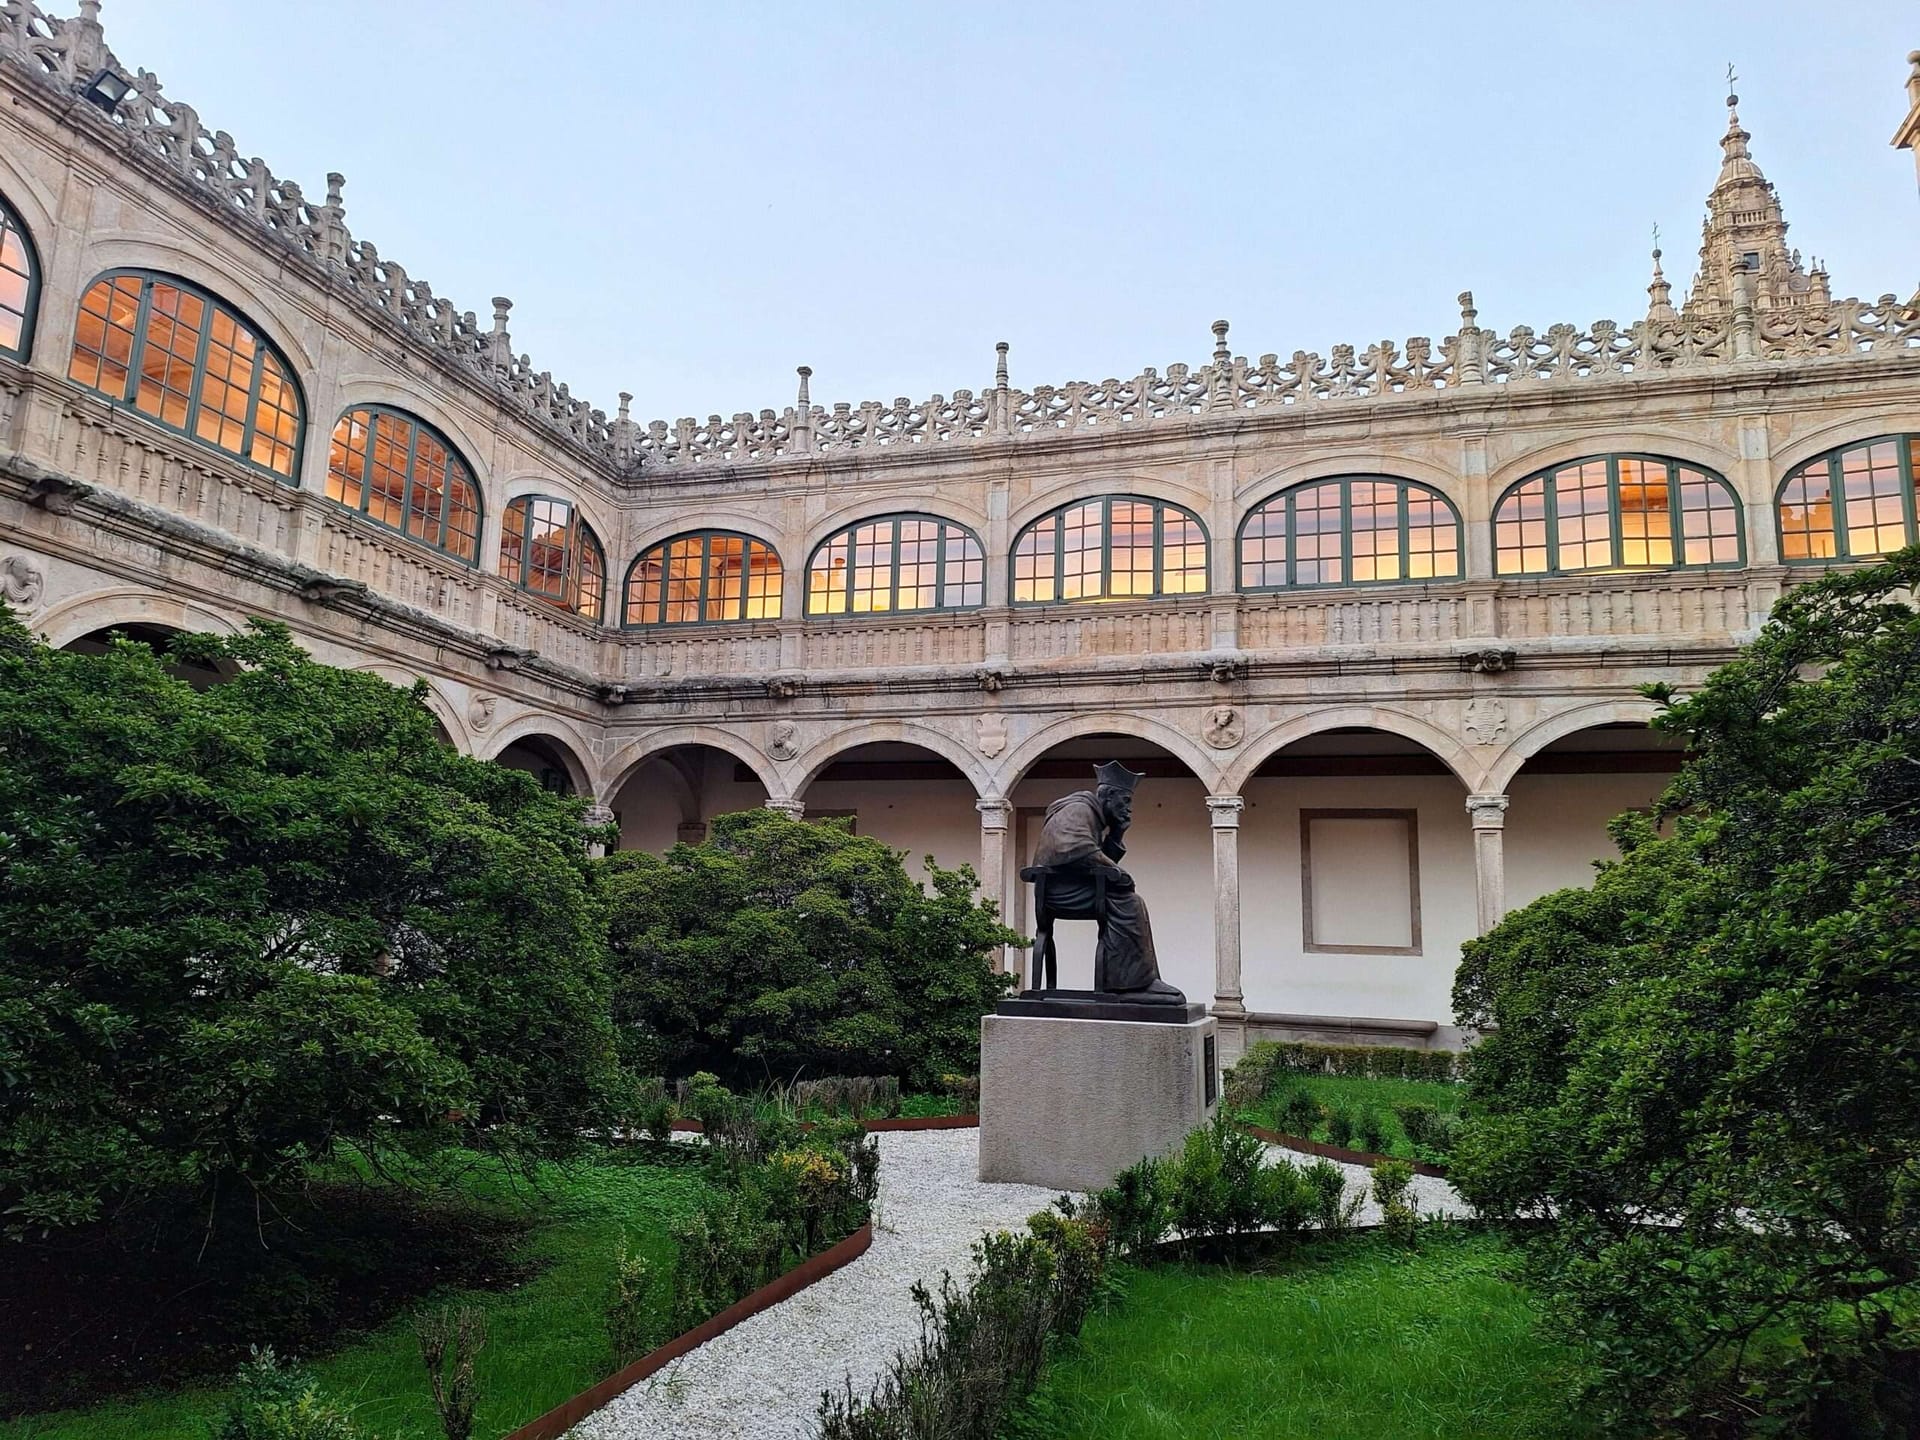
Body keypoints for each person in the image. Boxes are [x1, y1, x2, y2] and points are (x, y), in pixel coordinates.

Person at [1030, 760, 1183, 998]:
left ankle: (1134, 981)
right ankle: (1131, 986)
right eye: (1126, 801)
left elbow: (1094, 860)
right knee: (1130, 904)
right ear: (1109, 795)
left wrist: (1117, 833)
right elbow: (1073, 848)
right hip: (1059, 892)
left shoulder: (1093, 814)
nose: (1128, 808)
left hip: (1075, 887)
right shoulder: (1078, 809)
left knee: (1132, 900)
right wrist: (1117, 872)